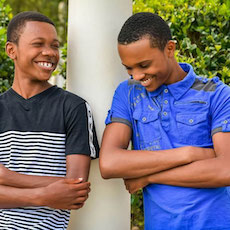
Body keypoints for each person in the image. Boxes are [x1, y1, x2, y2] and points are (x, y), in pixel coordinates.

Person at [99, 12, 230, 230]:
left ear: (170, 49)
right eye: (129, 68)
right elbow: (110, 163)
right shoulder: (128, 93)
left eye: (144, 65)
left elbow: (225, 170)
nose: (137, 76)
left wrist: (148, 176)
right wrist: (188, 153)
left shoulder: (217, 93)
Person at [0, 11, 99, 229]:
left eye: (54, 45)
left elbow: (76, 191)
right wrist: (44, 195)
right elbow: (65, 188)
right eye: (38, 44)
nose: (49, 52)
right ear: (11, 50)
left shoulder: (74, 107)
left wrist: (8, 178)